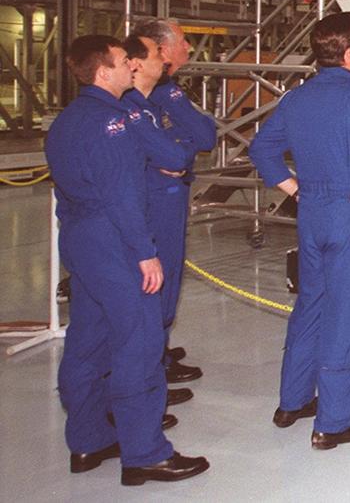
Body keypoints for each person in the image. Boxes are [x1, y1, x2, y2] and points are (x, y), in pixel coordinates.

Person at [45, 34, 208, 486]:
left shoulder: (69, 119)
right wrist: (144, 254)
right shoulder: (113, 123)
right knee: (138, 343)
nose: (130, 68)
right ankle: (145, 453)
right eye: (123, 62)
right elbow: (121, 195)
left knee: (88, 340)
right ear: (104, 72)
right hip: (115, 240)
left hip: (80, 239)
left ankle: (88, 438)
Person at [249, 13, 350, 450]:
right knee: (346, 312)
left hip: (312, 211)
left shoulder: (295, 99)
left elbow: (261, 148)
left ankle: (292, 402)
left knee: (310, 304)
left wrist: (293, 187)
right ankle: (333, 423)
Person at [129, 19, 216, 383]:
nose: (188, 48)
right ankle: (149, 368)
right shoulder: (140, 98)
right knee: (153, 285)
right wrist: (170, 153)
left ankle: (157, 353)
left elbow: (205, 135)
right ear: (161, 51)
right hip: (152, 202)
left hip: (171, 195)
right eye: (182, 41)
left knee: (169, 278)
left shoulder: (167, 91)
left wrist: (172, 151)